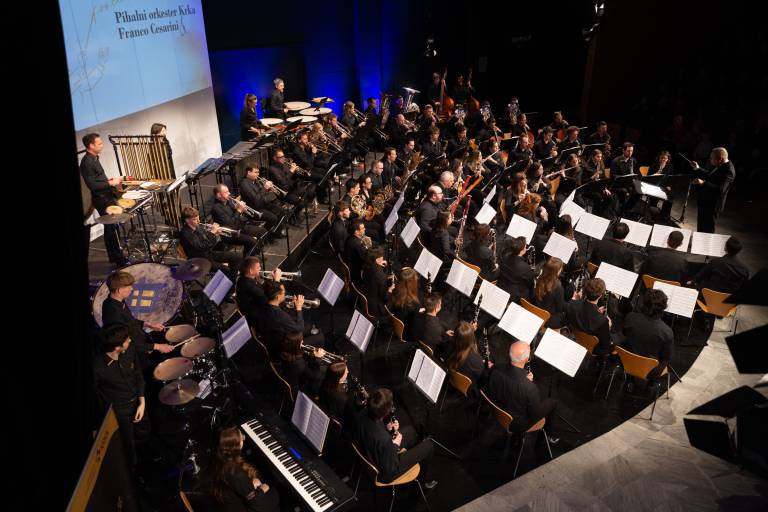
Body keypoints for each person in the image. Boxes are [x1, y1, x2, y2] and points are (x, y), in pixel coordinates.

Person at [354, 388, 437, 488]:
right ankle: (423, 484)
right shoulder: (384, 439)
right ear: (385, 412)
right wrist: (395, 444)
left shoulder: (363, 413)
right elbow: (390, 467)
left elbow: (374, 434)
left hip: (372, 452)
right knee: (429, 445)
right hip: (386, 472)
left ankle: (412, 458)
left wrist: (387, 428)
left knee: (410, 431)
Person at [93, 324, 148, 468]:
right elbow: (95, 398)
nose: (129, 340)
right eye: (127, 339)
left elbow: (138, 375)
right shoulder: (97, 367)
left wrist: (142, 402)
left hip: (138, 402)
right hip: (119, 412)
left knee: (144, 436)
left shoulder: (129, 350)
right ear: (117, 346)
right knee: (128, 449)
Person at [486, 342, 559, 443]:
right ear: (526, 359)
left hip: (497, 408)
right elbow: (534, 414)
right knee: (552, 402)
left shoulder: (496, 367)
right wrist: (527, 383)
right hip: (517, 424)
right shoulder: (529, 387)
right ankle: (549, 435)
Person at [100, 271, 174, 367]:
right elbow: (127, 343)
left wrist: (148, 324)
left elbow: (129, 320)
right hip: (133, 354)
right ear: (119, 290)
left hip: (139, 342)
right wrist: (158, 346)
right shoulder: (114, 314)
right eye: (129, 287)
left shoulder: (115, 300)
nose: (132, 289)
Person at [79, 133, 127, 266]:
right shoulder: (86, 162)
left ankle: (116, 256)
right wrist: (110, 183)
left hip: (106, 195)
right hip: (101, 199)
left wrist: (108, 180)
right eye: (99, 143)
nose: (102, 145)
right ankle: (117, 259)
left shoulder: (95, 158)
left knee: (112, 227)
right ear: (91, 146)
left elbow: (97, 179)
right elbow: (92, 185)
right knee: (110, 228)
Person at [210, 426, 280, 512]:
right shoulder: (237, 474)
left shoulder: (221, 456)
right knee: (275, 494)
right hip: (240, 507)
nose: (243, 438)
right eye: (242, 437)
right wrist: (262, 489)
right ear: (237, 444)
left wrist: (250, 484)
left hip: (229, 498)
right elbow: (257, 504)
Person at [258, 280, 325, 358]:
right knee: (320, 337)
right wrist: (299, 308)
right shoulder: (278, 315)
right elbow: (299, 328)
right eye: (283, 293)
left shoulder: (267, 302)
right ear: (277, 296)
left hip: (278, 332)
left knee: (310, 327)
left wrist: (292, 305)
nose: (285, 294)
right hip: (286, 344)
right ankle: (313, 357)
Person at [622, 289, 673, 390]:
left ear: (644, 303)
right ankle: (651, 383)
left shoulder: (630, 317)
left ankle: (630, 381)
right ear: (663, 308)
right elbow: (667, 357)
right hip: (651, 371)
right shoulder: (666, 332)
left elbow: (624, 334)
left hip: (627, 362)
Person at [179, 207, 242, 281]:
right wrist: (212, 233)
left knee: (237, 257)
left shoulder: (198, 227)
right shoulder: (185, 234)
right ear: (187, 220)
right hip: (199, 260)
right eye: (195, 219)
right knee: (227, 271)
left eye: (198, 218)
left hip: (208, 254)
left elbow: (207, 242)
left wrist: (216, 234)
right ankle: (230, 286)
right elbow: (202, 246)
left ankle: (231, 282)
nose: (199, 221)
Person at [211, 184, 267, 256]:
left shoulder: (229, 202)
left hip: (240, 227)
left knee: (263, 231)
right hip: (231, 234)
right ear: (219, 195)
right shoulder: (216, 208)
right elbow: (230, 224)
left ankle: (252, 254)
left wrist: (240, 208)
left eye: (228, 191)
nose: (229, 193)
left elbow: (236, 215)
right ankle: (248, 260)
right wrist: (239, 210)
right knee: (252, 242)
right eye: (226, 192)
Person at [560, 278, 613, 355]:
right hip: (591, 348)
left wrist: (574, 299)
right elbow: (605, 344)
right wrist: (608, 327)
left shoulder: (571, 304)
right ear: (600, 296)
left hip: (574, 336)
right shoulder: (603, 321)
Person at [691, 147, 736, 233]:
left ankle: (706, 245)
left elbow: (721, 189)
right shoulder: (720, 165)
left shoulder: (728, 170)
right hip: (705, 202)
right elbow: (709, 174)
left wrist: (703, 183)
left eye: (712, 158)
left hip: (712, 205)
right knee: (701, 228)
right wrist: (697, 168)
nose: (710, 159)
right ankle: (699, 243)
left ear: (720, 159)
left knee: (708, 229)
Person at [277, 331, 326, 397]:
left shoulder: (284, 347)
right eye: (301, 341)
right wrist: (318, 359)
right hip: (299, 384)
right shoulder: (299, 364)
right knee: (321, 375)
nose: (302, 341)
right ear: (296, 346)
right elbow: (314, 376)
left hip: (288, 370)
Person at [236, 257, 280, 330]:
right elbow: (269, 300)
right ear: (251, 271)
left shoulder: (244, 278)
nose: (260, 269)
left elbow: (261, 290)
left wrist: (270, 280)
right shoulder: (248, 285)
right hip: (260, 316)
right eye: (258, 267)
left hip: (257, 305)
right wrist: (276, 281)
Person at [239, 165, 285, 232]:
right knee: (273, 218)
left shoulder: (255, 181)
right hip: (255, 209)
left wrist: (270, 190)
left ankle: (276, 231)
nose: (258, 174)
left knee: (281, 211)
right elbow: (256, 200)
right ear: (249, 172)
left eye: (258, 172)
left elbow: (262, 195)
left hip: (262, 204)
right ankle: (265, 233)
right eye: (256, 172)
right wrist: (265, 188)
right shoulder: (245, 184)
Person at [444, 321, 490, 386]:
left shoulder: (447, 345)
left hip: (450, 379)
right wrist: (484, 364)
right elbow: (481, 377)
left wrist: (470, 330)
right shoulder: (476, 361)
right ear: (470, 339)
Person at [387, 267, 422, 341]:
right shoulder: (414, 304)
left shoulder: (395, 289)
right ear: (412, 284)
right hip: (405, 333)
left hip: (393, 322)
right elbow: (413, 325)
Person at [498, 236, 535, 303]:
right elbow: (529, 284)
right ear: (522, 250)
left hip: (500, 285)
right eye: (525, 246)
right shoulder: (525, 267)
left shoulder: (505, 256)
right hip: (513, 296)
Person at [533, 257, 567, 329]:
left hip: (536, 310)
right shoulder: (558, 287)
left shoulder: (539, 278)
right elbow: (559, 309)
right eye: (561, 268)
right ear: (557, 271)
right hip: (548, 319)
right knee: (566, 316)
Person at [362, 246, 394, 318]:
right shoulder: (380, 276)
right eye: (381, 256)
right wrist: (390, 289)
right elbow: (384, 297)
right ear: (377, 260)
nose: (383, 258)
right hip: (377, 307)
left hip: (368, 295)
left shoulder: (366, 266)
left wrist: (382, 268)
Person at [343, 221, 368, 286]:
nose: (365, 229)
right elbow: (365, 258)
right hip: (356, 270)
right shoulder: (357, 244)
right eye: (362, 228)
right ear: (356, 232)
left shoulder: (350, 238)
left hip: (352, 262)